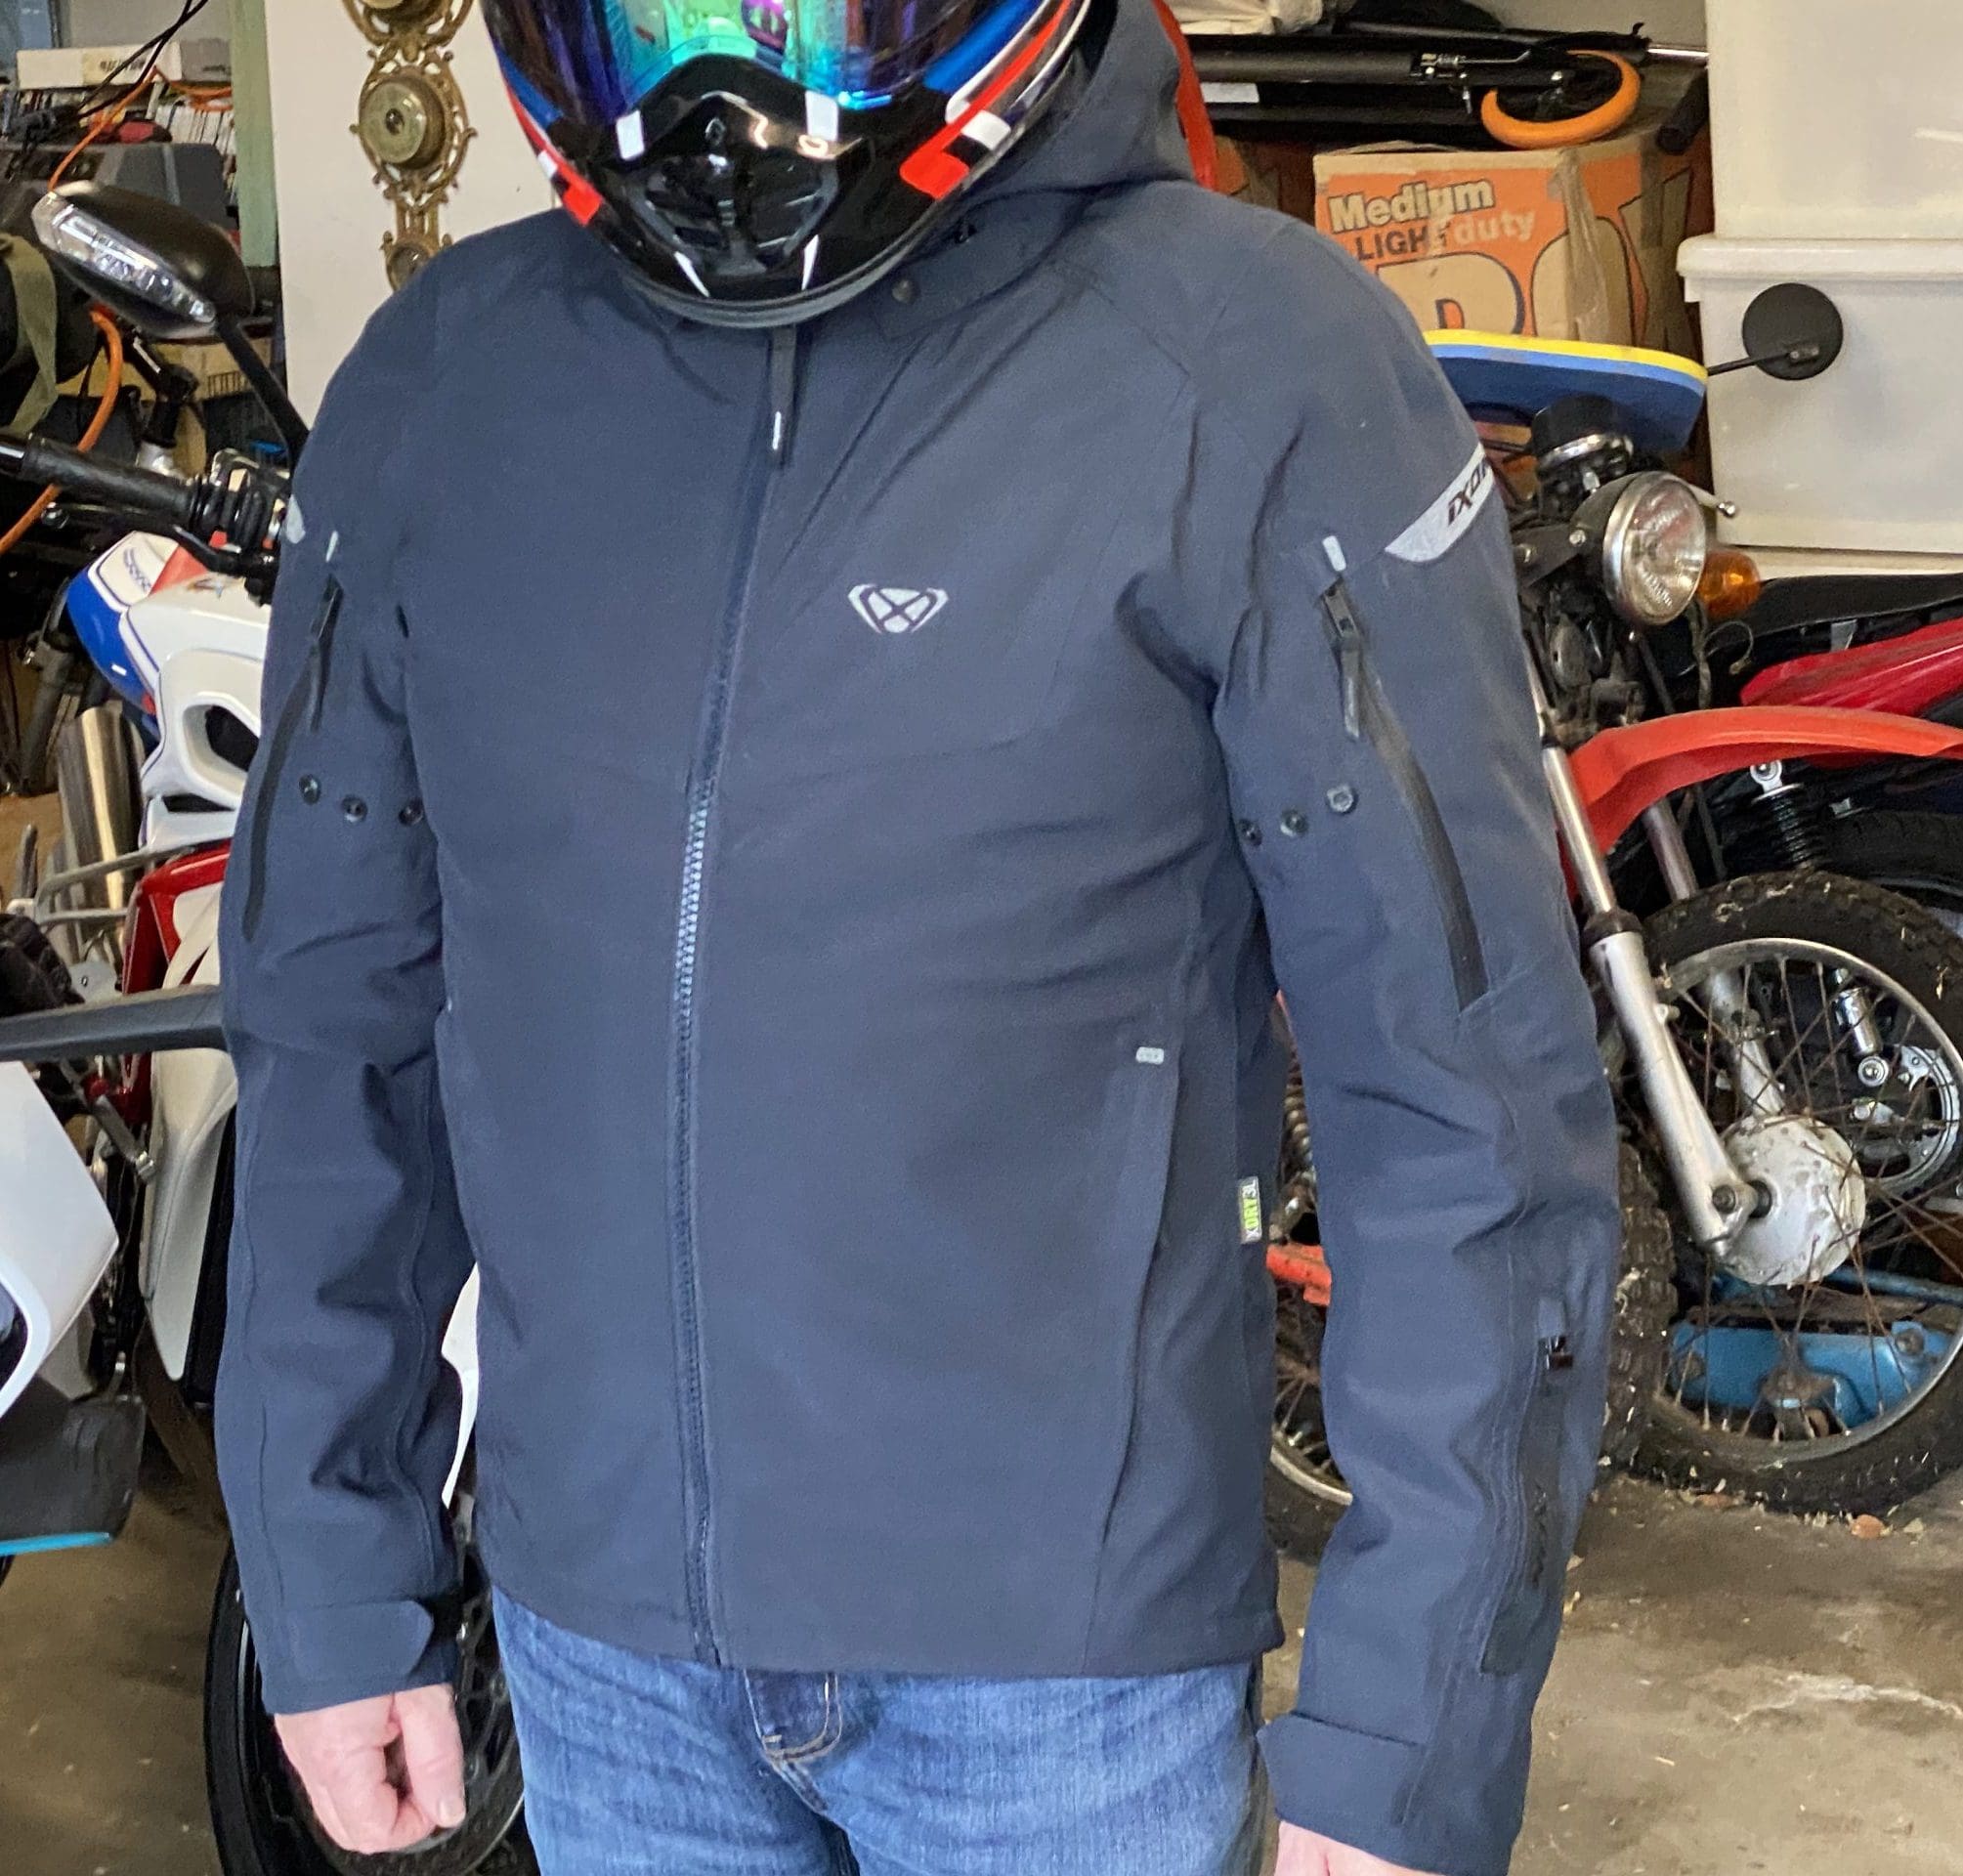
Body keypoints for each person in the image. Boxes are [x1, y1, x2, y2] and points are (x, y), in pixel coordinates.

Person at [216, 0, 1619, 1870]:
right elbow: (334, 1028)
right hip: (597, 1647)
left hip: (1059, 1682)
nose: (712, 82)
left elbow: (1464, 1095)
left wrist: (1409, 1728)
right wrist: (327, 1564)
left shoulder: (1248, 362)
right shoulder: (445, 384)